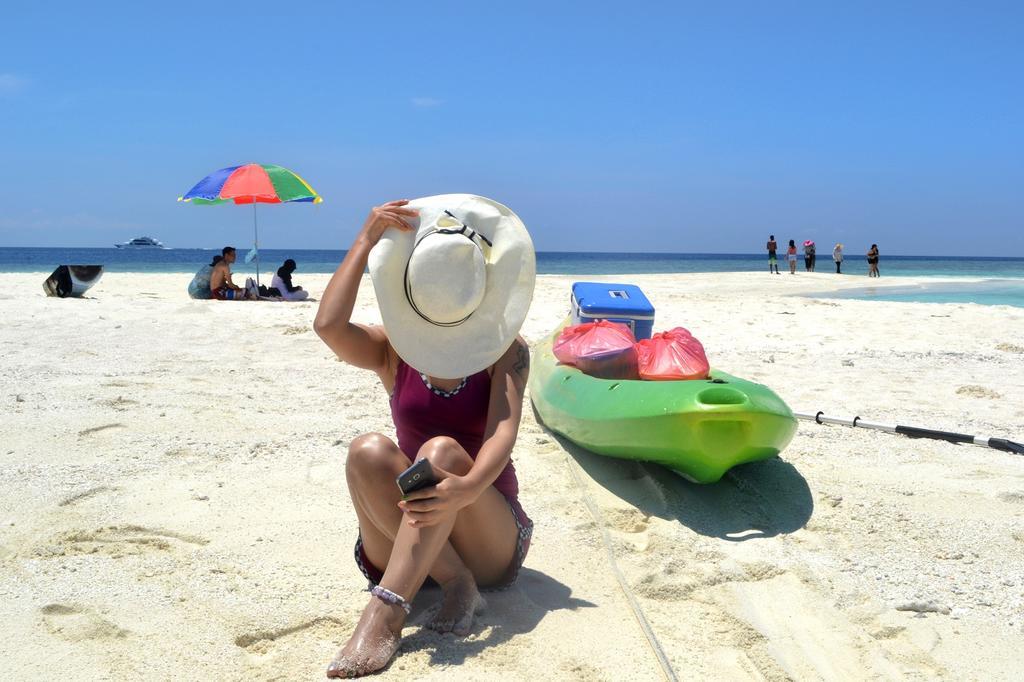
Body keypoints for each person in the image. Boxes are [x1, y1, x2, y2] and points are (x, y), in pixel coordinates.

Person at [314, 196, 536, 678]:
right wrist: (365, 239)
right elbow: (328, 326)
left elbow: (503, 429)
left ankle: (387, 611)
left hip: (485, 529)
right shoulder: (393, 349)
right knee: (367, 451)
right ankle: (455, 583)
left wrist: (471, 485)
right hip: (411, 530)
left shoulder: (507, 350)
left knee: (440, 454)